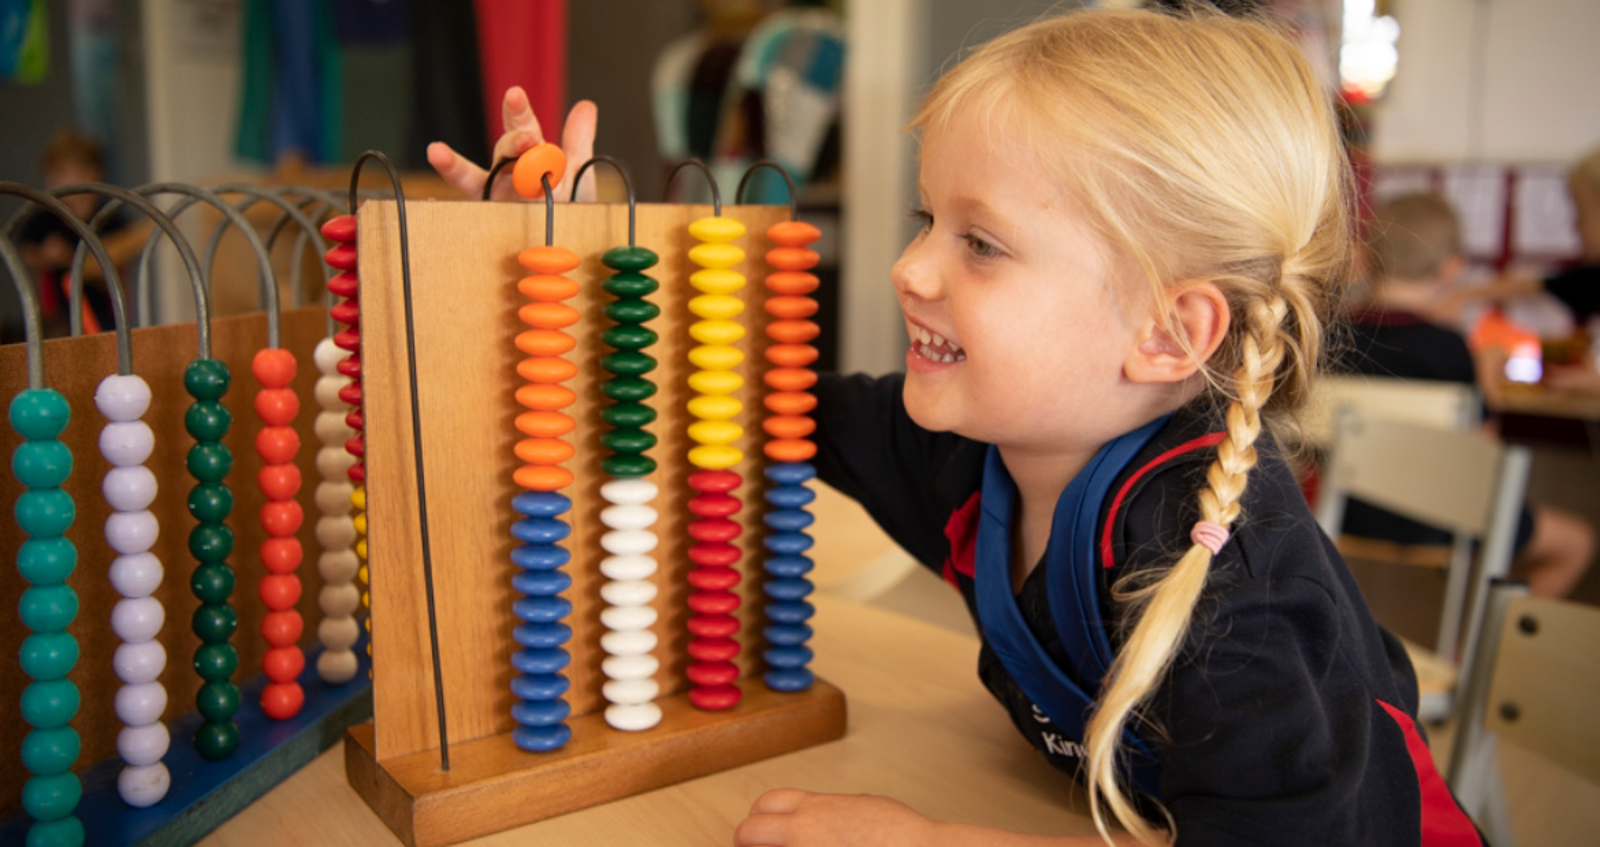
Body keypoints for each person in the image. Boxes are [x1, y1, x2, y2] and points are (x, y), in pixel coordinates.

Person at [433, 8, 1481, 846]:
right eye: (924, 221)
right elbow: (732, 386)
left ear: (1167, 331)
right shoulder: (968, 457)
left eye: (980, 242)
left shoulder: (1233, 594)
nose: (909, 270)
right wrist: (559, 246)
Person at [1336, 193, 1594, 599]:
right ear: (1453, 267)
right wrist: (1487, 370)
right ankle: (1487, 650)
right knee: (1576, 543)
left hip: (1342, 511)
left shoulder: (1333, 340)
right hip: (1439, 517)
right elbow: (1482, 449)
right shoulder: (1450, 348)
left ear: (1365, 256)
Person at [13, 129, 147, 336]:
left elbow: (114, 260)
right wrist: (43, 256)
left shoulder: (109, 216)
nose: (53, 181)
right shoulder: (47, 215)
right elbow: (26, 249)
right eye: (51, 175)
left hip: (105, 312)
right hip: (58, 315)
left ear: (92, 173)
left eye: (62, 173)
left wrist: (70, 258)